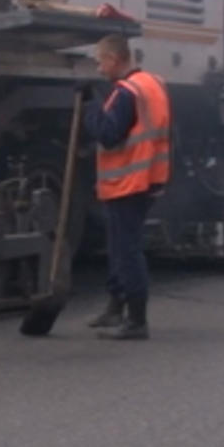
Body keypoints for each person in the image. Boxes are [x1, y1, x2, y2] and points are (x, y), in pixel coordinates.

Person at [80, 35, 171, 340]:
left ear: (115, 59)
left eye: (100, 60)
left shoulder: (127, 92)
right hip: (147, 178)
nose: (98, 67)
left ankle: (136, 321)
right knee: (120, 245)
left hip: (128, 182)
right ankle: (115, 307)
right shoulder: (152, 84)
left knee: (126, 250)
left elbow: (108, 134)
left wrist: (91, 106)